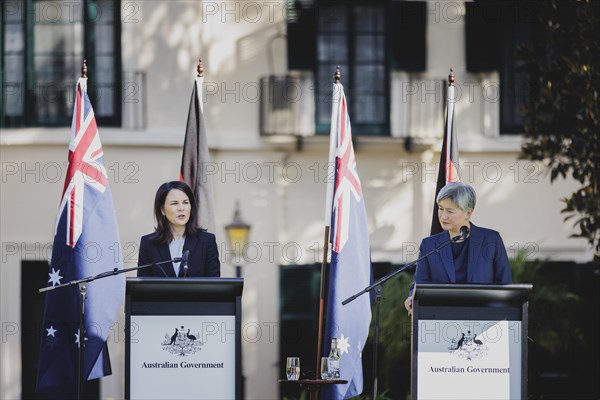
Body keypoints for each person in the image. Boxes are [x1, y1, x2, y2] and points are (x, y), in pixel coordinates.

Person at [404, 182, 511, 315]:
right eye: (440, 208)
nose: (443, 216)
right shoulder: (429, 245)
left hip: (484, 319)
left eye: (450, 211)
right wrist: (411, 298)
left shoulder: (491, 240)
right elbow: (419, 284)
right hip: (441, 319)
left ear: (468, 213)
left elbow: (505, 284)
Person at [137, 181, 220, 277]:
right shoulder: (148, 243)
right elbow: (143, 287)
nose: (181, 208)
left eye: (185, 202)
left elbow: (214, 285)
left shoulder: (207, 241)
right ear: (162, 210)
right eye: (174, 203)